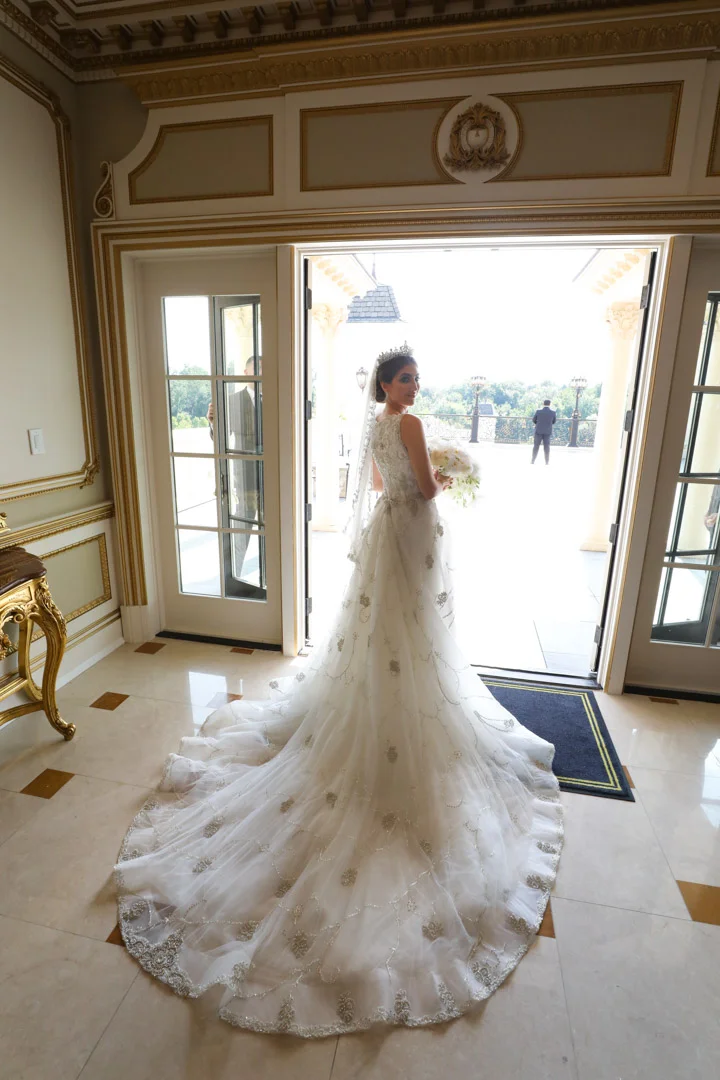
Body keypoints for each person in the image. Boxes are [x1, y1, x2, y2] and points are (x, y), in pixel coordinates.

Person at [115, 345, 562, 1037]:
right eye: (405, 377)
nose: (414, 385)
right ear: (386, 382)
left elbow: (380, 484)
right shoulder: (409, 424)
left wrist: (423, 474)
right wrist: (448, 471)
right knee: (414, 636)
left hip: (387, 534)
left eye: (416, 378)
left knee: (386, 637)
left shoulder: (377, 423)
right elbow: (425, 490)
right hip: (411, 532)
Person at [207, 356, 262, 581]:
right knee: (241, 532)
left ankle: (272, 582)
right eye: (256, 369)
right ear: (246, 372)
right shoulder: (231, 401)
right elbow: (219, 439)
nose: (260, 373)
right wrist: (212, 423)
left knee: (273, 535)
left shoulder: (277, 400)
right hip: (245, 480)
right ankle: (234, 579)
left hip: (273, 479)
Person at [531, 399, 556, 464]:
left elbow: (534, 420)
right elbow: (554, 422)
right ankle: (546, 462)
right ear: (550, 404)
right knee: (547, 447)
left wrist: (538, 424)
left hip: (538, 431)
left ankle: (533, 461)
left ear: (543, 404)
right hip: (547, 432)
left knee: (536, 446)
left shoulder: (538, 411)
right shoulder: (553, 412)